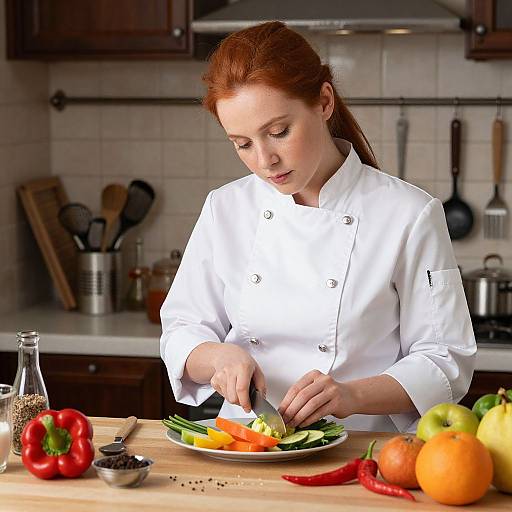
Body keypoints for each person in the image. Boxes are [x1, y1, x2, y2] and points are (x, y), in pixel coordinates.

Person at [160, 21, 476, 432]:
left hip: (361, 452)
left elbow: (445, 358)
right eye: (242, 144)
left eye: (278, 132)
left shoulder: (409, 214)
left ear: (324, 102)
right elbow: (181, 330)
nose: (264, 159)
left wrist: (352, 395)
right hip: (245, 446)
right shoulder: (226, 208)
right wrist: (217, 357)